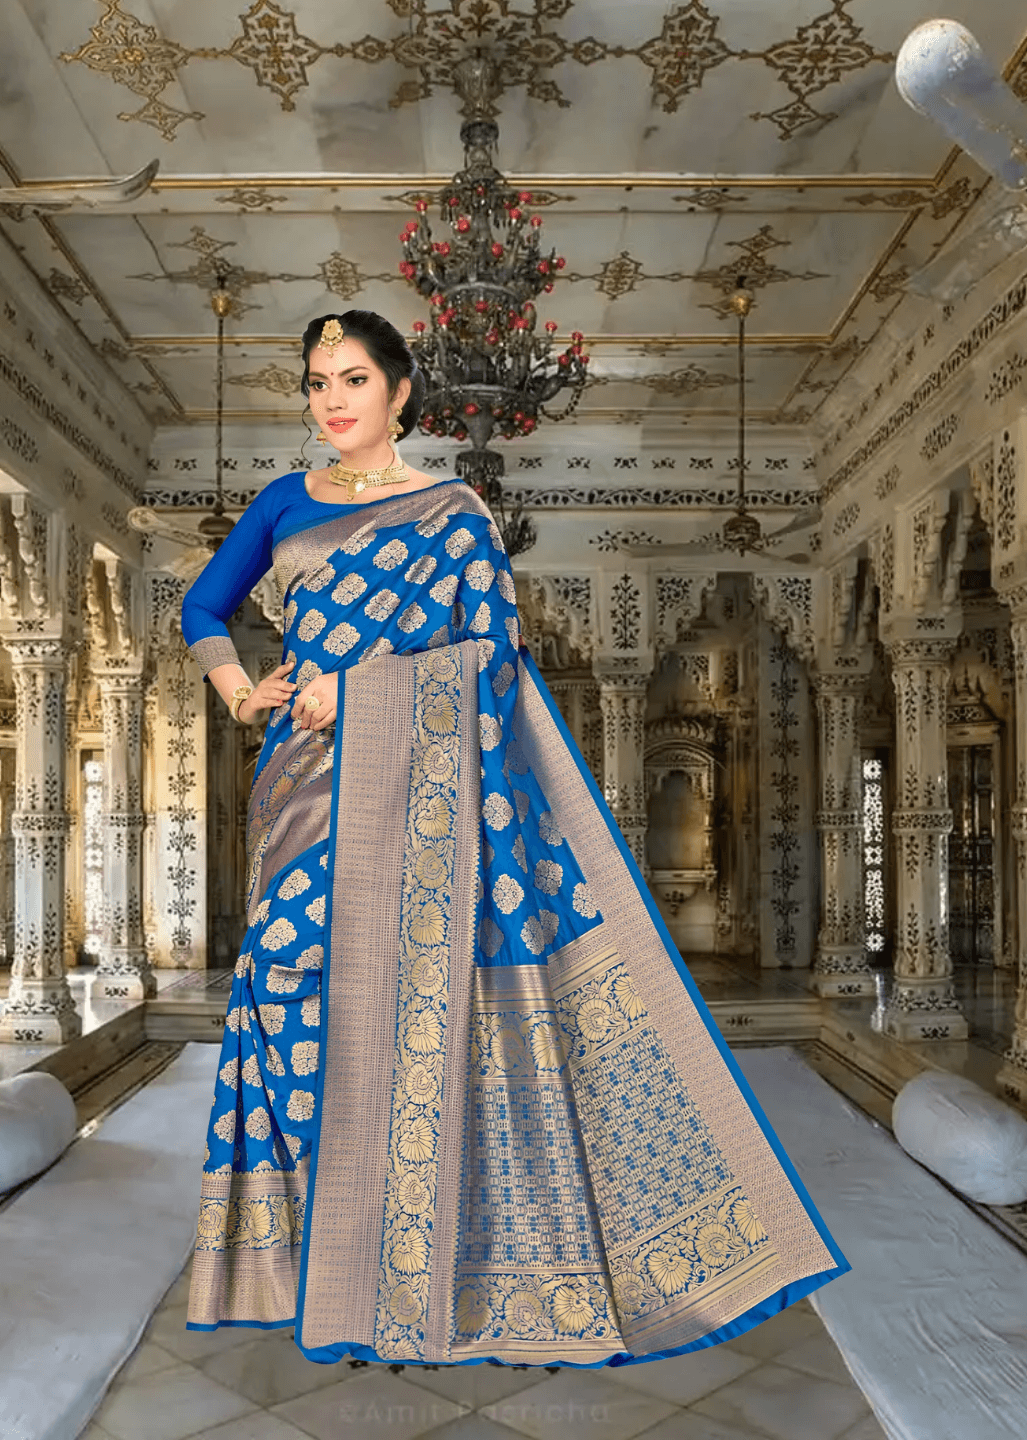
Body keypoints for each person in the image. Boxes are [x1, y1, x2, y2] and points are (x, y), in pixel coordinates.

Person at [179, 309, 848, 1368]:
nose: (331, 400)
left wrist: (356, 690)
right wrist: (242, 690)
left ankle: (425, 1259)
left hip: (419, 789)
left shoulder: (455, 514)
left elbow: (490, 661)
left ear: (401, 394)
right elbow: (204, 608)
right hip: (304, 790)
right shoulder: (282, 503)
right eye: (315, 383)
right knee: (284, 984)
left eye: (353, 379)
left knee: (414, 1002)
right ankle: (334, 1247)